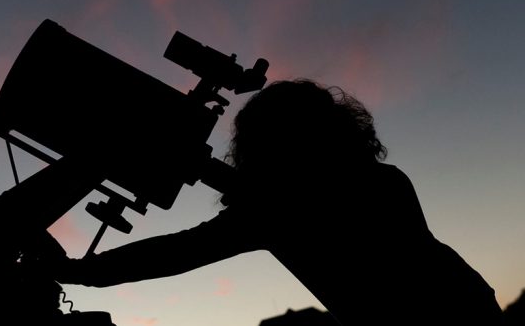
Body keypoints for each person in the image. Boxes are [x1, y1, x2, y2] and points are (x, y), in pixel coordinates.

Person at [55, 79, 503, 325]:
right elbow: (175, 252)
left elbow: (174, 253)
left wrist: (79, 274)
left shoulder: (283, 208)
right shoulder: (381, 180)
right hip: (468, 311)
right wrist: (83, 274)